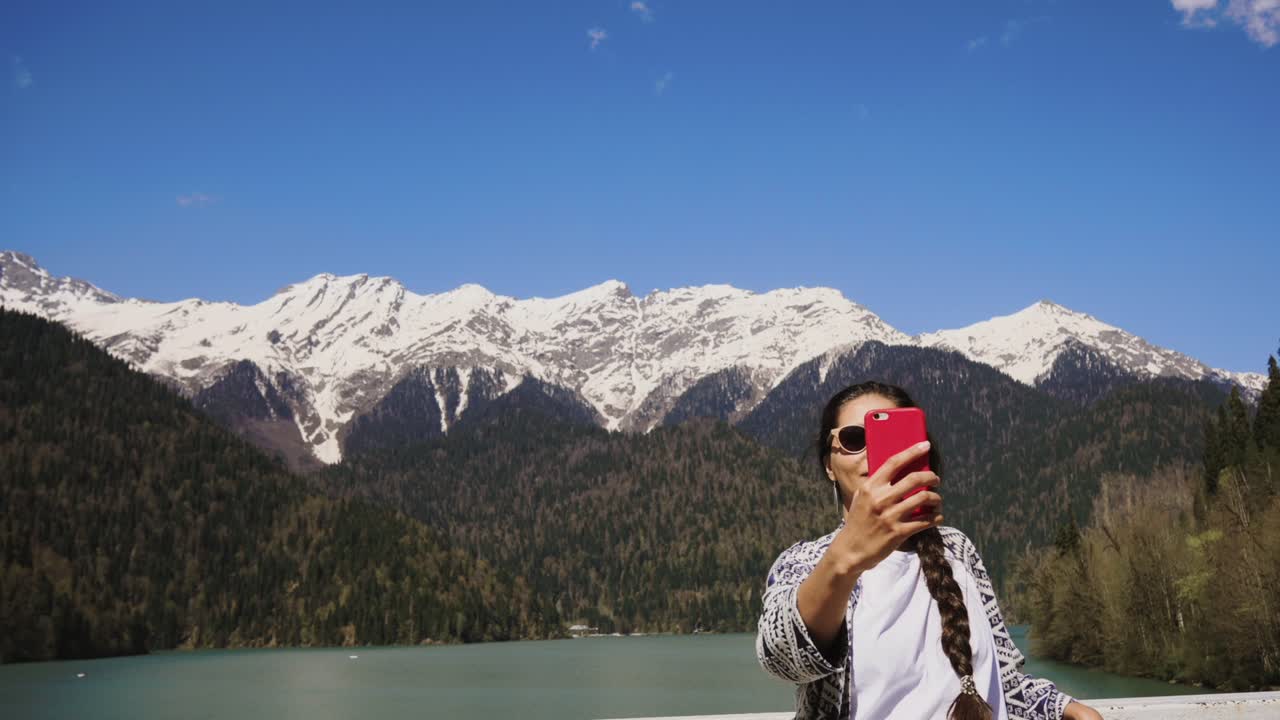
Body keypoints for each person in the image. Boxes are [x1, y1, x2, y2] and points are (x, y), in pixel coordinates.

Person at [755, 381, 1104, 720]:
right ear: (829, 466)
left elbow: (997, 679)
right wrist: (844, 559)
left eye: (889, 439)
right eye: (854, 439)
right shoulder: (805, 562)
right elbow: (781, 658)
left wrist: (1058, 707)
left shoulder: (958, 549)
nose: (873, 453)